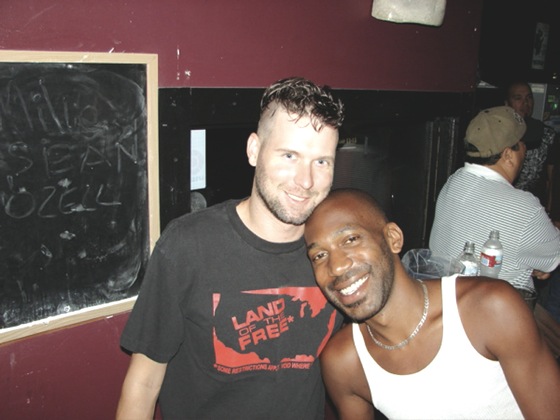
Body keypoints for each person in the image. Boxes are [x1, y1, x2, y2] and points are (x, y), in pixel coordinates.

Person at [116, 77, 345, 419]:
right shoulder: (188, 245)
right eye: (289, 155)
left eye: (321, 162)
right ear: (254, 150)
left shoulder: (337, 252)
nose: (306, 180)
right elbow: (144, 383)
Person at [303, 188, 560, 419]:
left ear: (393, 238)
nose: (336, 266)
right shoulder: (345, 361)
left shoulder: (488, 309)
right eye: (319, 255)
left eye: (351, 239)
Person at [429, 106, 560, 299]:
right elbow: (553, 258)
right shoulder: (523, 207)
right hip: (493, 313)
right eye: (522, 143)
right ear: (508, 155)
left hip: (445, 302)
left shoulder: (452, 182)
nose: (525, 150)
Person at [504, 81, 557, 210]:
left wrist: (550, 211)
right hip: (503, 205)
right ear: (507, 103)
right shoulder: (498, 133)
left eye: (529, 98)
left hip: (534, 209)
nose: (525, 103)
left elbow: (552, 179)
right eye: (518, 98)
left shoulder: (547, 134)